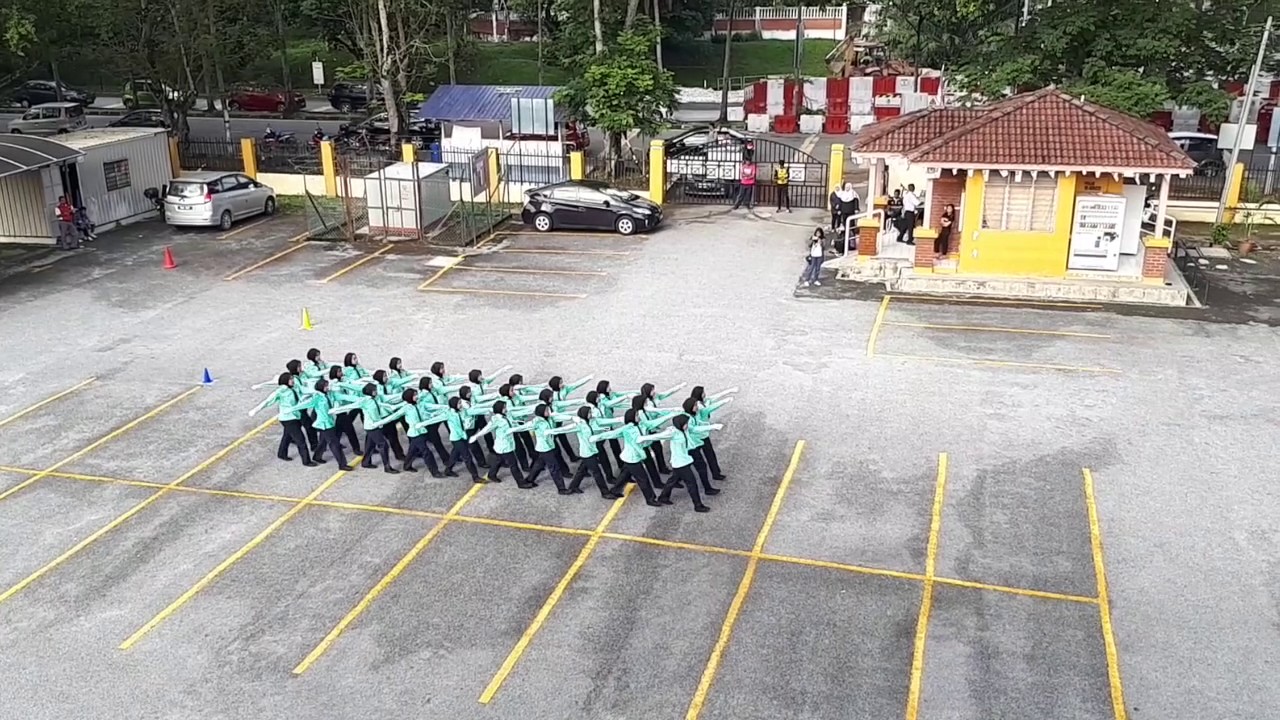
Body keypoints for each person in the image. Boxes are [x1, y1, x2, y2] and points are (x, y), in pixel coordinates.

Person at [652, 414, 725, 512]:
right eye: (686, 423)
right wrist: (643, 438)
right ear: (680, 424)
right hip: (680, 463)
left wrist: (713, 427)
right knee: (692, 483)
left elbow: (697, 429)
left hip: (685, 459)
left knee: (673, 479)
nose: (687, 425)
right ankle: (698, 505)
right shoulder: (673, 433)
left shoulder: (685, 430)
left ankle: (663, 497)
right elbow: (658, 436)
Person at [593, 410, 664, 507]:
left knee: (624, 475)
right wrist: (597, 437)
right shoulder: (627, 429)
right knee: (643, 479)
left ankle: (614, 490)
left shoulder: (641, 425)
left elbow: (656, 422)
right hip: (632, 458)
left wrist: (673, 413)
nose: (638, 417)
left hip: (630, 457)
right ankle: (650, 499)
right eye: (636, 415)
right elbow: (612, 433)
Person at [283, 378, 355, 471]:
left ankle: (317, 456)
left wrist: (359, 399)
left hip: (329, 422)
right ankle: (342, 464)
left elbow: (344, 397)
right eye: (326, 386)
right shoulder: (317, 398)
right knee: (335, 444)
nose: (328, 387)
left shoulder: (330, 394)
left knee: (323, 441)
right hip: (324, 424)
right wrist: (292, 409)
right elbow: (305, 404)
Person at [249, 373, 318, 466]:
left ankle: (282, 453)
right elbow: (268, 401)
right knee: (300, 440)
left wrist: (316, 390)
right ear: (285, 382)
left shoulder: (295, 387)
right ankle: (306, 461)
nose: (293, 380)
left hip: (296, 415)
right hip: (288, 418)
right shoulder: (281, 392)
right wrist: (255, 410)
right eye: (290, 379)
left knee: (287, 436)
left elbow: (305, 390)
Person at [331, 384, 400, 473]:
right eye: (374, 390)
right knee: (383, 445)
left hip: (376, 425)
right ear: (370, 392)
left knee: (370, 445)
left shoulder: (376, 398)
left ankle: (366, 462)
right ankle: (387, 467)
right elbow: (351, 406)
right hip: (372, 426)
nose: (376, 391)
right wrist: (335, 410)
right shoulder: (364, 401)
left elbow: (387, 400)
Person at [376, 388, 444, 476]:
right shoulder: (406, 408)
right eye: (414, 395)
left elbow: (432, 407)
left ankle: (407, 465)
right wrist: (380, 422)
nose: (417, 396)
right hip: (415, 433)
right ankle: (435, 472)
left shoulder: (420, 404)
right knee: (426, 452)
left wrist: (444, 407)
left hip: (423, 431)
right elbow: (393, 416)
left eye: (416, 394)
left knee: (413, 450)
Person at [470, 400, 535, 487]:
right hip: (504, 445)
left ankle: (491, 474)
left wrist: (523, 424)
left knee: (498, 460)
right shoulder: (496, 420)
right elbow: (487, 429)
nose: (505, 409)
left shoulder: (506, 416)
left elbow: (512, 423)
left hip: (507, 444)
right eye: (504, 407)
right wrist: (476, 436)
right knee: (513, 464)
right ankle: (521, 483)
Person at [564, 405, 621, 498]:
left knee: (581, 470)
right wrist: (551, 431)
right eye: (590, 413)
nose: (591, 414)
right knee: (597, 473)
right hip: (587, 453)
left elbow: (592, 430)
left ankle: (573, 486)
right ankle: (605, 492)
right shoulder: (579, 425)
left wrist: (603, 429)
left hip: (592, 450)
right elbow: (565, 429)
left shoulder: (590, 422)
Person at [523, 404, 576, 494]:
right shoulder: (536, 422)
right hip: (545, 448)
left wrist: (572, 418)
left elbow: (561, 417)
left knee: (539, 464)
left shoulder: (550, 418)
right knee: (554, 468)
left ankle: (529, 479)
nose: (549, 412)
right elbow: (526, 427)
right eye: (546, 411)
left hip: (550, 446)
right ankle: (561, 489)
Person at [687, 386, 736, 480]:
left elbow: (714, 397)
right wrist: (724, 401)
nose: (704, 394)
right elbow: (710, 408)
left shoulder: (703, 402)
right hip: (698, 437)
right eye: (703, 393)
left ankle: (716, 473)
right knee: (702, 457)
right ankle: (715, 474)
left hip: (704, 434)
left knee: (710, 456)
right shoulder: (699, 407)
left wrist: (729, 391)